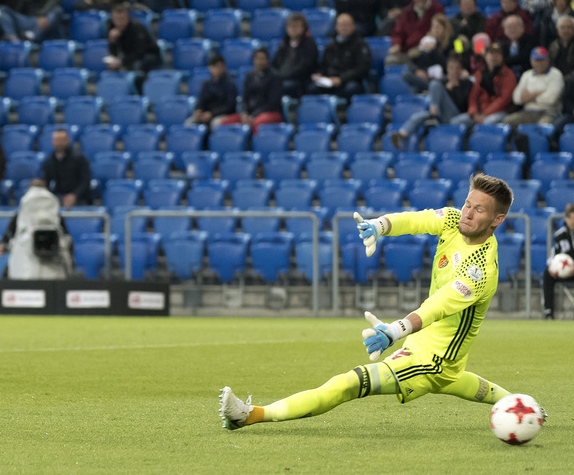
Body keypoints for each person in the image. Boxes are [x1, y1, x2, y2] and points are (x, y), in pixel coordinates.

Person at [219, 174, 518, 431]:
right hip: (434, 353)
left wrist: (395, 330)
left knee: (347, 383)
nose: (467, 212)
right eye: (468, 203)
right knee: (458, 380)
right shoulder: (454, 220)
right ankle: (519, 404)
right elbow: (417, 219)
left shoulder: (480, 270)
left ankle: (248, 415)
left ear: (497, 219)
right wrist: (380, 225)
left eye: (478, 210)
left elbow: (437, 306)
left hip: (432, 360)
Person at [391, 53, 472, 149]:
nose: (453, 71)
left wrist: (455, 88)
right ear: (447, 68)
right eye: (451, 68)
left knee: (434, 84)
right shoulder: (444, 82)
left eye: (456, 68)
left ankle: (434, 115)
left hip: (455, 116)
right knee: (418, 115)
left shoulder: (466, 84)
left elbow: (464, 105)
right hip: (440, 115)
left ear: (461, 70)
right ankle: (401, 134)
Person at [0, 180, 74, 280]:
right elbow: (6, 238)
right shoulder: (20, 216)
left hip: (53, 262)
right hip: (26, 261)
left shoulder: (56, 217)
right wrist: (4, 244)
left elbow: (66, 239)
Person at [216, 48, 283, 133]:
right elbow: (245, 98)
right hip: (250, 114)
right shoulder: (249, 76)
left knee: (256, 123)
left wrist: (254, 115)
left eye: (262, 59)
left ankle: (253, 146)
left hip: (270, 112)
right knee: (225, 123)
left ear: (267, 60)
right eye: (257, 59)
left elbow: (273, 102)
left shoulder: (275, 77)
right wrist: (244, 113)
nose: (259, 62)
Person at [309, 12, 372, 99]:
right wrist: (319, 74)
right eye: (341, 25)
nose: (344, 28)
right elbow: (323, 65)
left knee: (351, 88)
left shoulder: (360, 45)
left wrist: (341, 79)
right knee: (312, 88)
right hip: (330, 81)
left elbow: (362, 68)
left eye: (347, 25)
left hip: (349, 81)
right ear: (336, 27)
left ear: (354, 26)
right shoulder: (331, 45)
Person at [453, 43, 516, 127]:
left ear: (502, 57)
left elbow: (504, 99)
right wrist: (473, 112)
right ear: (485, 56)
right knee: (455, 122)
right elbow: (473, 95)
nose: (494, 57)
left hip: (501, 111)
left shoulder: (508, 74)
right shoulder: (479, 74)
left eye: (497, 54)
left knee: (487, 122)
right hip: (480, 112)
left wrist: (485, 114)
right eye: (491, 54)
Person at [502, 46, 564, 126]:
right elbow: (516, 98)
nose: (539, 63)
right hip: (527, 112)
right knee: (507, 121)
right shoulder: (526, 75)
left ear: (548, 60)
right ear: (531, 61)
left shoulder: (555, 74)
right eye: (536, 60)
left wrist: (528, 96)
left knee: (543, 126)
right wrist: (537, 93)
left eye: (542, 60)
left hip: (549, 112)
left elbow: (550, 99)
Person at [386, 0, 445, 65]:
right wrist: (396, 44)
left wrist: (431, 40)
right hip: (406, 49)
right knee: (390, 59)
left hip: (427, 47)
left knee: (415, 58)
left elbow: (441, 29)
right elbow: (398, 32)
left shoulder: (437, 9)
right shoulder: (406, 11)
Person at [271, 12, 320, 99]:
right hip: (282, 78)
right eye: (290, 26)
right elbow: (274, 64)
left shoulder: (309, 44)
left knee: (283, 86)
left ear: (303, 28)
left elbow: (305, 67)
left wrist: (284, 76)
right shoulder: (284, 44)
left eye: (296, 26)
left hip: (300, 81)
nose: (293, 29)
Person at [105, 2, 162, 73]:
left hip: (147, 55)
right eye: (116, 19)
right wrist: (112, 41)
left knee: (136, 65)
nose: (119, 22)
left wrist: (121, 62)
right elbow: (114, 53)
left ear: (127, 17)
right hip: (129, 56)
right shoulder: (112, 27)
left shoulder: (136, 28)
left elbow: (139, 52)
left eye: (122, 19)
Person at [41, 128, 92, 207]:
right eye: (57, 140)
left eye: (62, 139)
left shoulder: (79, 158)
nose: (59, 143)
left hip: (79, 197)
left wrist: (74, 195)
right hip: (57, 197)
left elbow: (85, 181)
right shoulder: (49, 161)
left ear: (68, 140)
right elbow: (46, 181)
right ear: (53, 141)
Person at [542, 203, 574, 320]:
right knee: (547, 274)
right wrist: (553, 265)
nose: (573, 221)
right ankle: (548, 311)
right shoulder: (559, 235)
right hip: (564, 271)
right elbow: (553, 257)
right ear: (566, 218)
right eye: (570, 218)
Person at [190, 54, 238, 129]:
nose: (218, 69)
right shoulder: (206, 84)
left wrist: (211, 114)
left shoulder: (230, 85)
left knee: (215, 123)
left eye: (221, 66)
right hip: (206, 113)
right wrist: (199, 110)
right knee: (189, 123)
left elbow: (230, 106)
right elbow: (201, 101)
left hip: (223, 115)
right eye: (215, 66)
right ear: (210, 68)